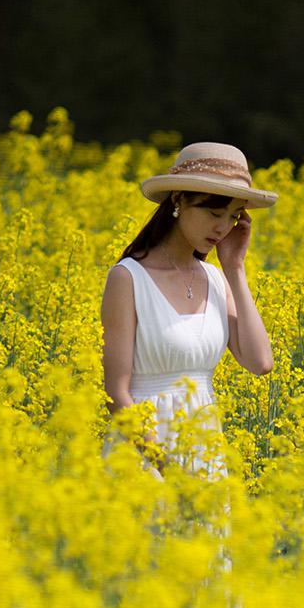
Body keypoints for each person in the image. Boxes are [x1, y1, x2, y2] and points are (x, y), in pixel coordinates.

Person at [101, 141, 277, 479]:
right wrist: (167, 468)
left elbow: (260, 363)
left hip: (204, 455)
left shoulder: (216, 279)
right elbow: (116, 394)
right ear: (179, 200)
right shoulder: (128, 278)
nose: (223, 228)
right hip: (142, 458)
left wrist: (235, 268)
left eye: (234, 216)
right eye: (214, 213)